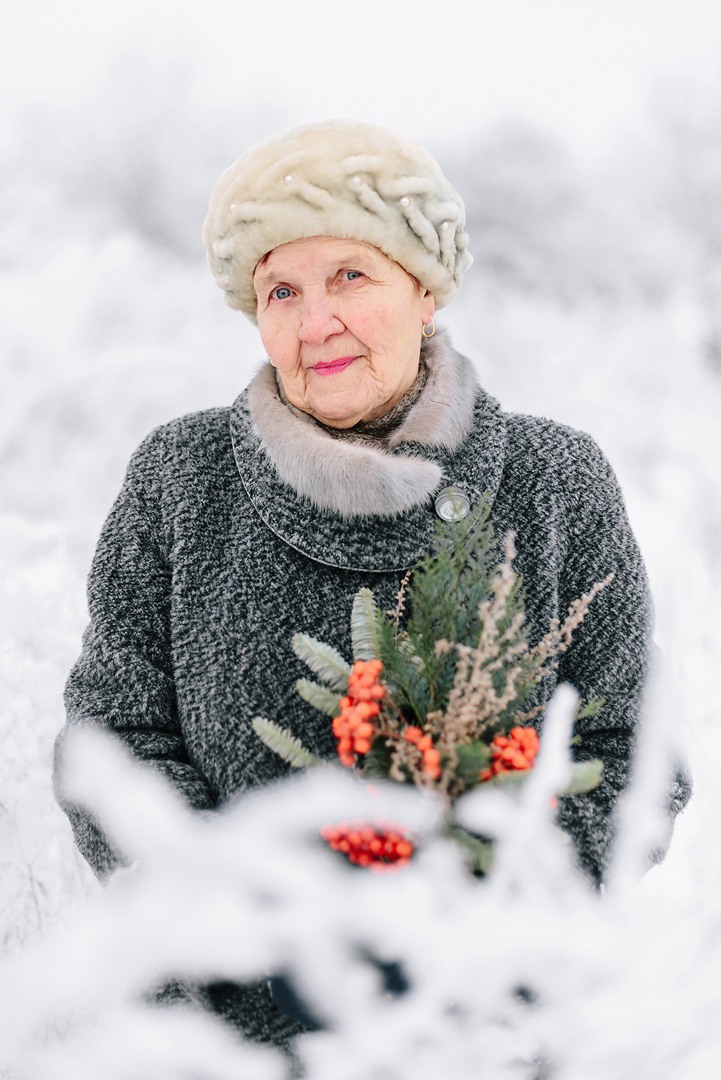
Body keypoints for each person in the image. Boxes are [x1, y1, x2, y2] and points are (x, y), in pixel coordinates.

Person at [54, 118, 689, 1047]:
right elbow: (112, 736)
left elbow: (630, 747)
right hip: (218, 1039)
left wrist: (487, 901)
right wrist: (235, 916)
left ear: (424, 288)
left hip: (483, 1028)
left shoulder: (553, 482)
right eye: (281, 290)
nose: (317, 324)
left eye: (351, 275)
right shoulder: (180, 480)